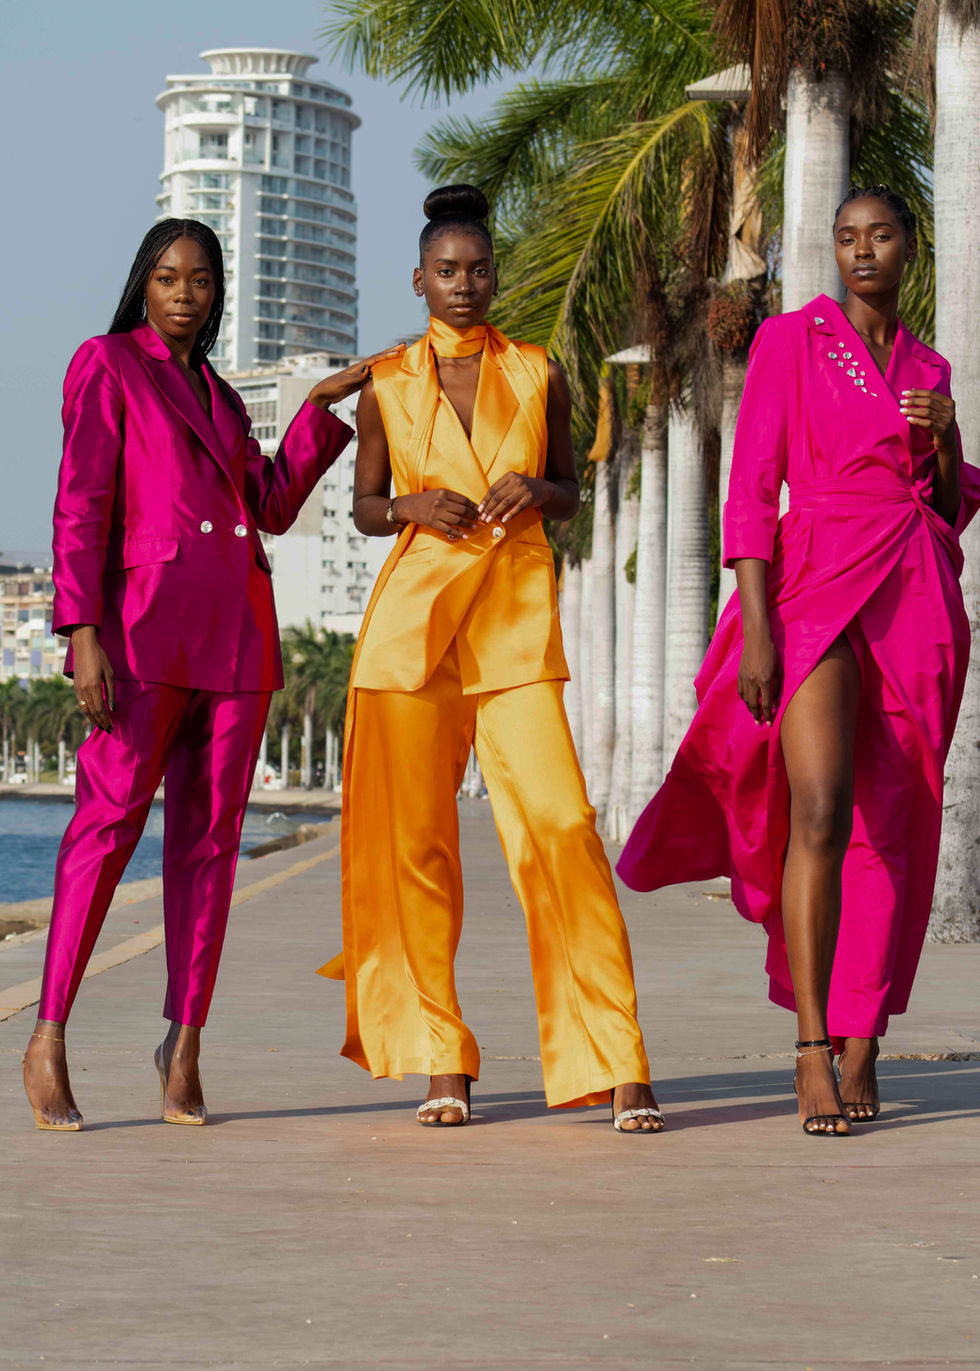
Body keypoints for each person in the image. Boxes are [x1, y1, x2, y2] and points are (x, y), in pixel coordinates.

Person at [22, 219, 400, 1131]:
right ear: (143, 285)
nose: (184, 293)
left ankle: (184, 1044)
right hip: (141, 634)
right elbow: (81, 503)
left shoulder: (225, 399)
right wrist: (81, 630)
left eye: (199, 279)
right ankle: (48, 1034)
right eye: (166, 277)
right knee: (106, 827)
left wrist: (320, 405)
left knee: (211, 846)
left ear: (218, 291)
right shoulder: (108, 363)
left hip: (235, 640)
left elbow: (269, 503)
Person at [618, 186, 980, 1136]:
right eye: (847, 237)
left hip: (912, 600)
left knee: (891, 823)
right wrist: (758, 626)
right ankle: (813, 1044)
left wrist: (948, 438)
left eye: (881, 235)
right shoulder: (792, 340)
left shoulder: (930, 366)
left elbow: (947, 509)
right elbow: (751, 487)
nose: (863, 251)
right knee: (819, 808)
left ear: (909, 248)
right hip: (814, 584)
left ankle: (865, 1035)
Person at [318, 185, 663, 1133]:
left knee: (561, 826)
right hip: (411, 633)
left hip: (512, 627)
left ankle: (617, 1056)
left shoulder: (541, 371)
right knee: (417, 847)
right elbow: (366, 505)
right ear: (418, 280)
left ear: (496, 277)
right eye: (446, 271)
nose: (462, 284)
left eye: (477, 270)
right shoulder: (388, 383)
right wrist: (411, 507)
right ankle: (441, 1055)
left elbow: (570, 489)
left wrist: (537, 488)